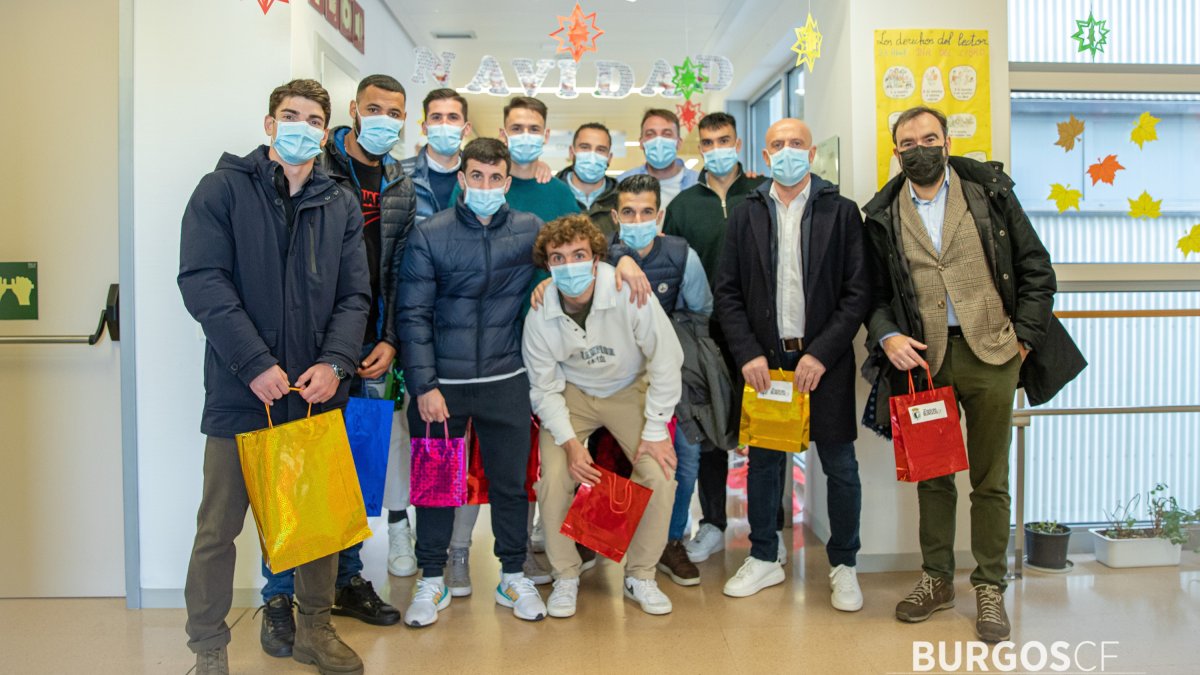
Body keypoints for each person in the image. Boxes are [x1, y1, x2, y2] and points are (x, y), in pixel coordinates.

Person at [396, 138, 650, 628]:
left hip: (506, 379)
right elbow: (412, 314)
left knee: (513, 486)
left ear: (508, 183)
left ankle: (513, 573)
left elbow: (579, 249)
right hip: (441, 387)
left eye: (496, 178)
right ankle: (432, 577)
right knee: (435, 486)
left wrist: (622, 257)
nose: (486, 186)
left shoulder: (528, 231)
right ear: (463, 179)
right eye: (477, 176)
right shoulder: (431, 234)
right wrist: (423, 384)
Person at [862, 106, 1084, 642]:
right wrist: (887, 335)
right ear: (896, 151)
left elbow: (1037, 269)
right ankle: (936, 579)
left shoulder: (990, 194)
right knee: (933, 478)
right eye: (908, 142)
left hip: (993, 356)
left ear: (947, 140)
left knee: (990, 480)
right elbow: (872, 294)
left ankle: (989, 586)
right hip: (925, 363)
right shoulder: (883, 214)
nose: (919, 148)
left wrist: (1025, 339)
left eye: (929, 138)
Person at [178, 79, 368, 675]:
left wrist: (335, 363)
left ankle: (314, 630)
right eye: (291, 115)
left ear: (326, 131)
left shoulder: (337, 201)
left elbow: (355, 295)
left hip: (313, 393)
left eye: (315, 119)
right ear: (268, 125)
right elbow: (203, 282)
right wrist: (254, 364)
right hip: (242, 394)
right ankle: (209, 645)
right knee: (218, 529)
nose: (302, 127)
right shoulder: (221, 190)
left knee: (317, 526)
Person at [254, 74, 413, 651]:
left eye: (395, 112)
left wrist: (391, 338)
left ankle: (346, 579)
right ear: (351, 112)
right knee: (292, 467)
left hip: (369, 346)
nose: (385, 119)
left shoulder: (401, 183)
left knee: (353, 472)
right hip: (306, 346)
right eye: (374, 109)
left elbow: (398, 272)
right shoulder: (317, 168)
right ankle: (278, 593)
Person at [714, 118, 869, 611]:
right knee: (763, 463)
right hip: (766, 362)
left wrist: (821, 353)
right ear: (764, 156)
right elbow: (728, 293)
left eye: (795, 144)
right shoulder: (744, 214)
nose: (787, 152)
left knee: (840, 464)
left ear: (812, 151)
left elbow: (858, 292)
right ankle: (764, 556)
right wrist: (748, 353)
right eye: (777, 145)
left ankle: (844, 565)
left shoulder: (841, 213)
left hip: (824, 359)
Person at [523, 214, 684, 618]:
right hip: (572, 394)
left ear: (597, 259)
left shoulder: (627, 291)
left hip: (630, 388)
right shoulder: (539, 314)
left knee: (660, 474)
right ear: (547, 266)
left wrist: (655, 429)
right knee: (555, 478)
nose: (570, 265)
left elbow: (667, 358)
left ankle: (641, 575)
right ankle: (566, 576)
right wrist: (573, 446)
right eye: (558, 258)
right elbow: (543, 389)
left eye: (579, 255)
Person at [662, 111, 769, 565]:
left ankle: (768, 530)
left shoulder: (762, 194)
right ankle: (712, 524)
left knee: (763, 433)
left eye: (724, 139)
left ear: (738, 142)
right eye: (707, 142)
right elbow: (672, 265)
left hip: (760, 333)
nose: (716, 148)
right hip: (704, 336)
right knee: (707, 433)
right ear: (699, 147)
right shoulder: (685, 205)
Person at [604, 175, 713, 587]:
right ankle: (600, 537)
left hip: (672, 376)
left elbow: (702, 311)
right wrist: (618, 257)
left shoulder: (682, 255)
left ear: (660, 215)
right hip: (613, 379)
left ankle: (670, 540)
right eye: (628, 212)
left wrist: (663, 335)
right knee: (609, 457)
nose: (637, 219)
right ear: (615, 217)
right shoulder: (600, 257)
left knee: (684, 458)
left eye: (646, 211)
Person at [449, 96, 580, 223]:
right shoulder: (472, 186)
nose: (525, 136)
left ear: (545, 136)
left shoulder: (561, 194)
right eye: (516, 128)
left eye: (534, 129)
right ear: (503, 135)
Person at [617, 109, 699, 210]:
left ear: (679, 143)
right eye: (650, 134)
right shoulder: (622, 184)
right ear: (641, 143)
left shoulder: (698, 183)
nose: (658, 141)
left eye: (667, 134)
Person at [557, 122, 620, 235]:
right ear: (572, 153)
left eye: (600, 150)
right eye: (585, 147)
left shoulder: (622, 199)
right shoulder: (552, 193)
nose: (592, 157)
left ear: (609, 158)